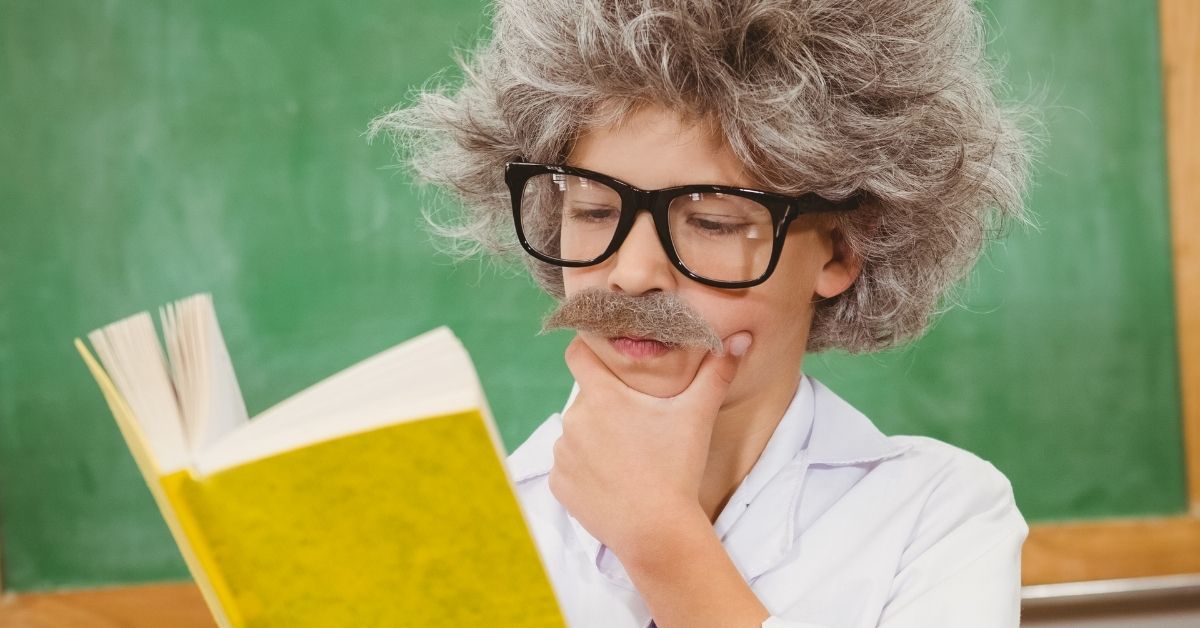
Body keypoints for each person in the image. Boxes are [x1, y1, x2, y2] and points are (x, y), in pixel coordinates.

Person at [372, 0, 1032, 626]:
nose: (631, 274)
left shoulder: (938, 517)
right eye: (595, 211)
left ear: (840, 248)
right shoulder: (456, 531)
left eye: (712, 222)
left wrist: (660, 539)